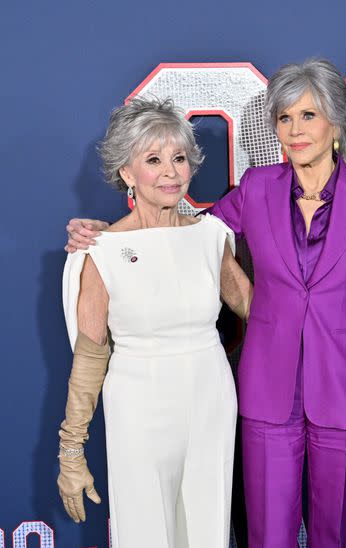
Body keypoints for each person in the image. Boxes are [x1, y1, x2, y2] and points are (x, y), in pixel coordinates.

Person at [66, 59, 346, 548]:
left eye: (308, 116)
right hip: (267, 393)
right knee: (267, 536)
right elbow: (183, 234)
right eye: (284, 119)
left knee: (332, 536)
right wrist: (104, 232)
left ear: (336, 122)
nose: (294, 130)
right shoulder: (256, 188)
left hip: (343, 389)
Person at [58, 97, 252, 547]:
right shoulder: (99, 249)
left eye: (179, 157)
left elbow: (257, 309)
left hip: (211, 401)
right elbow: (90, 358)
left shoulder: (211, 235)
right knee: (145, 531)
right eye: (153, 159)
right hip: (137, 406)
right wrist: (71, 450)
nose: (171, 171)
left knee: (208, 528)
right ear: (126, 173)